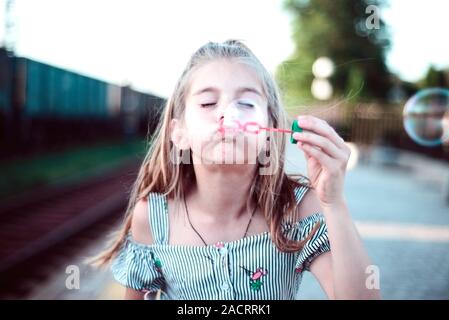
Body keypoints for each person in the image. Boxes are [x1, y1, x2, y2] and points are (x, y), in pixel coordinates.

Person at [93, 40, 380, 300]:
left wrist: (334, 202)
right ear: (178, 133)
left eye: (246, 102)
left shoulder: (295, 208)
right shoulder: (153, 217)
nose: (227, 114)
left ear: (269, 131)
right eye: (207, 102)